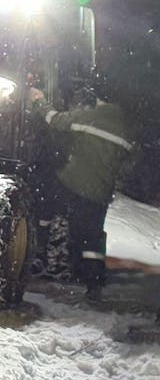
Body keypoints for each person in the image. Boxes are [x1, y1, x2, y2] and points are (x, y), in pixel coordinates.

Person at [29, 79, 135, 296]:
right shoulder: (126, 127)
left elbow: (56, 120)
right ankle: (93, 282)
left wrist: (39, 101)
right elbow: (128, 165)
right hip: (101, 193)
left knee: (45, 196)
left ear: (97, 98)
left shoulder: (92, 117)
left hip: (74, 183)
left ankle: (42, 250)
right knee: (93, 235)